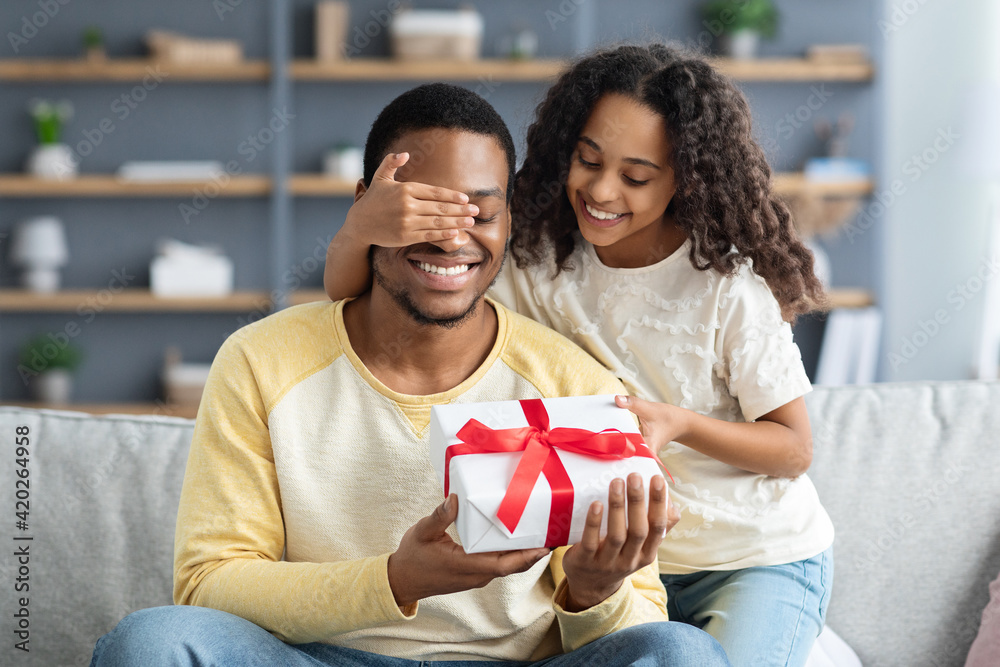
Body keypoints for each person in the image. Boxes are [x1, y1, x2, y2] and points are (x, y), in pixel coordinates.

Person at [89, 83, 731, 667]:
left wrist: (594, 591)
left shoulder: (573, 381)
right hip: (320, 659)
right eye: (424, 210)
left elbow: (640, 630)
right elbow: (209, 582)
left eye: (481, 213)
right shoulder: (262, 361)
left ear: (508, 222)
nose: (453, 239)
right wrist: (395, 581)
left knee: (682, 653)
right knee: (148, 645)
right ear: (367, 208)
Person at [323, 43, 834, 667]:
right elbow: (354, 292)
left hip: (753, 559)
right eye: (587, 161)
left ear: (686, 179)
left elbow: (793, 450)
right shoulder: (540, 262)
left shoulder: (726, 290)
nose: (600, 190)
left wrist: (678, 424)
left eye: (636, 177)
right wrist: (361, 227)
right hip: (615, 566)